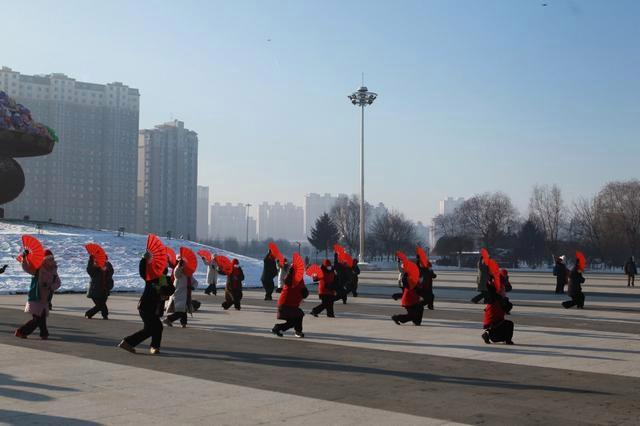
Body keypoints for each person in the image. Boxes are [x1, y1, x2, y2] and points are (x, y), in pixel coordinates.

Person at [118, 253, 175, 354]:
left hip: (156, 309)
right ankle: (131, 343)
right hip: (146, 307)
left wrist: (164, 291)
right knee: (154, 328)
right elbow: (142, 271)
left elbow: (171, 290)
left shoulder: (165, 279)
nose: (162, 268)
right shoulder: (151, 277)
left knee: (154, 328)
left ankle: (137, 344)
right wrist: (143, 259)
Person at [15, 249, 61, 339]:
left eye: (52, 258)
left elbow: (58, 283)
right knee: (37, 319)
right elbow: (27, 268)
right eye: (48, 259)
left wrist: (50, 286)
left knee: (41, 318)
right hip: (36, 296)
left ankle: (44, 334)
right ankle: (21, 331)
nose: (51, 260)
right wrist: (24, 258)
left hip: (46, 298)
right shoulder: (38, 269)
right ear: (44, 259)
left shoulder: (54, 270)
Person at [272, 265, 309, 337]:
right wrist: (304, 292)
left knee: (294, 320)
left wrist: (304, 292)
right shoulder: (291, 278)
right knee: (297, 317)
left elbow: (302, 288)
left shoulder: (297, 278)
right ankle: (297, 331)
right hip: (286, 304)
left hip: (291, 304)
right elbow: (297, 288)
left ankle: (277, 328)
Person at [164, 258, 199, 327]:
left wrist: (193, 287)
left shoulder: (189, 275)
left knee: (183, 310)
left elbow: (195, 282)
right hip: (178, 294)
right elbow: (176, 273)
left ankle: (183, 323)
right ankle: (168, 319)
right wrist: (178, 266)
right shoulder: (179, 273)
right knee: (180, 311)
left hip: (186, 295)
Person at [481, 278, 514, 345]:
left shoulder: (502, 300)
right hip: (492, 323)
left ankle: (488, 334)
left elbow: (507, 308)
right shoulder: (494, 298)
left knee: (499, 336)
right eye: (503, 291)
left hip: (496, 323)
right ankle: (507, 340)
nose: (504, 292)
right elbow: (490, 290)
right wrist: (489, 281)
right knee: (509, 324)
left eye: (504, 291)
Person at [85, 255, 114, 320]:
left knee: (102, 304)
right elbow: (89, 269)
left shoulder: (108, 266)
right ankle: (90, 314)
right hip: (95, 290)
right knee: (100, 305)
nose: (104, 261)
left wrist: (107, 269)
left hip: (105, 290)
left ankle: (103, 315)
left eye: (105, 260)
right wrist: (91, 259)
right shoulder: (94, 268)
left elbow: (111, 272)